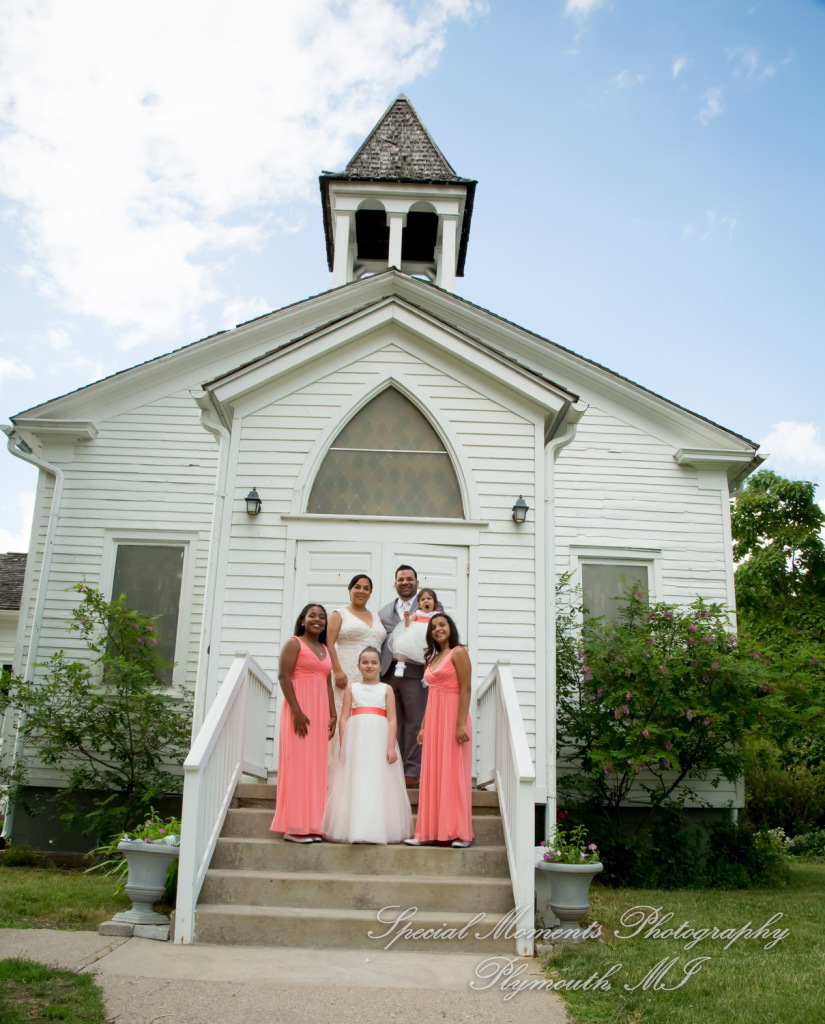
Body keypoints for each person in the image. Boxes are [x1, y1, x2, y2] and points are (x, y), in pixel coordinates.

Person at [321, 647, 412, 844]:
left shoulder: (386, 689)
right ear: (358, 666)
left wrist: (390, 746)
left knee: (376, 779)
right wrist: (344, 744)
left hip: (379, 739)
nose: (369, 666)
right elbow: (344, 718)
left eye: (373, 662)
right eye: (365, 662)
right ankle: (355, 827)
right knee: (357, 779)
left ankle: (375, 828)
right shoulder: (352, 689)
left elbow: (392, 720)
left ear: (380, 666)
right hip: (357, 739)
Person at [405, 613, 473, 848]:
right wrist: (423, 726)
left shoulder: (459, 653)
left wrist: (461, 723)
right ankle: (428, 832)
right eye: (433, 627)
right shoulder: (432, 659)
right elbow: (431, 696)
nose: (437, 629)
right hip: (434, 718)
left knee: (453, 773)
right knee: (433, 774)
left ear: (450, 627)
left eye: (442, 624)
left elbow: (466, 689)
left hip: (454, 717)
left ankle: (459, 833)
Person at [270, 604, 336, 843]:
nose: (317, 620)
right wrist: (296, 711)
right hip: (299, 711)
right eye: (312, 616)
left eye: (322, 617)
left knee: (315, 768)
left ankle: (312, 825)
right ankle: (294, 827)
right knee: (298, 766)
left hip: (319, 714)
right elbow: (283, 676)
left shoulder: (325, 649)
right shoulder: (294, 643)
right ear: (302, 621)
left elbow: (327, 683)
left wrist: (333, 714)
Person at [326, 574, 386, 759]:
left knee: (368, 719)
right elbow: (328, 643)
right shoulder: (339, 614)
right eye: (357, 587)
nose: (362, 591)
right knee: (345, 717)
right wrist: (337, 669)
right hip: (346, 674)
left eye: (366, 588)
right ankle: (338, 767)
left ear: (370, 593)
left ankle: (364, 764)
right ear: (350, 590)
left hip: (371, 677)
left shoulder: (376, 616)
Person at [379, 565, 427, 788]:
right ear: (395, 584)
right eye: (401, 579)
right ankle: (393, 768)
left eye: (410, 579)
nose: (405, 582)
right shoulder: (384, 611)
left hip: (416, 671)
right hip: (388, 672)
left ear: (417, 583)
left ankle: (412, 771)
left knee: (415, 722)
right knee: (392, 722)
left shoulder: (429, 604)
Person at [391, 588, 438, 679]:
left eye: (429, 598)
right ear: (419, 604)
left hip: (428, 639)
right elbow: (408, 625)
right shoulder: (417, 613)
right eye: (423, 599)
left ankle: (426, 678)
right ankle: (400, 666)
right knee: (403, 646)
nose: (426, 601)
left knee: (428, 658)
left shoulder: (436, 615)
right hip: (414, 638)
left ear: (435, 602)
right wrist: (407, 618)